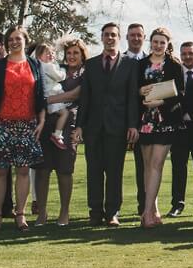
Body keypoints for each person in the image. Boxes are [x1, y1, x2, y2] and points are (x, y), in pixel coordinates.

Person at [0, 25, 46, 232]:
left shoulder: (35, 64)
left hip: (27, 125)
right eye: (11, 39)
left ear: (26, 40)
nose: (14, 42)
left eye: (18, 38)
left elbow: (41, 95)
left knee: (23, 170)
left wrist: (41, 121)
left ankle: (21, 215)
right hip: (1, 124)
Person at [73, 22, 139, 226]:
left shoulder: (130, 64)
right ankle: (95, 211)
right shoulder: (91, 65)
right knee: (93, 171)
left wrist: (132, 125)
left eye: (114, 35)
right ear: (101, 38)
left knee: (114, 171)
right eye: (107, 35)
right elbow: (85, 99)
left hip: (118, 127)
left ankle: (112, 212)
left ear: (119, 38)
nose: (110, 38)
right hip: (93, 127)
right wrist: (79, 125)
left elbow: (132, 98)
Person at [134, 27, 185, 228]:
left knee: (156, 165)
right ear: (150, 42)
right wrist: (140, 91)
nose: (158, 45)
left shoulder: (174, 65)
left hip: (165, 121)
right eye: (155, 41)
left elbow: (180, 93)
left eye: (162, 42)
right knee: (147, 167)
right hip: (145, 121)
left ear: (167, 44)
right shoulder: (141, 65)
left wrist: (160, 103)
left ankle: (146, 213)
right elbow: (133, 89)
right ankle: (153, 209)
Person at [32, 39, 87, 226]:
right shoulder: (55, 67)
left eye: (76, 53)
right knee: (42, 169)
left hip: (68, 123)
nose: (71, 56)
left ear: (82, 55)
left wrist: (45, 100)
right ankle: (42, 213)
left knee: (65, 170)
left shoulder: (85, 73)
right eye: (69, 53)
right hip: (45, 121)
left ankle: (64, 212)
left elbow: (75, 95)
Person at [169, 40, 193, 218]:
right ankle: (177, 204)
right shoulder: (174, 73)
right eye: (184, 54)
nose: (187, 57)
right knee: (178, 167)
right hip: (180, 128)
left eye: (191, 53)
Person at [123, 23, 148, 214]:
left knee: (144, 167)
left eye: (139, 35)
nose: (136, 38)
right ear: (127, 37)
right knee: (114, 168)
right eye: (132, 35)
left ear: (144, 37)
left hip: (144, 122)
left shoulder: (151, 62)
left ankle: (144, 206)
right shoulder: (119, 61)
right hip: (119, 120)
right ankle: (112, 208)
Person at [32, 44, 72, 150]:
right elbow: (59, 77)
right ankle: (57, 134)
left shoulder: (38, 65)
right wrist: (63, 71)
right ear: (39, 55)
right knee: (65, 113)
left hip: (48, 95)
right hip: (51, 96)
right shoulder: (48, 66)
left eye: (52, 53)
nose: (51, 55)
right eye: (48, 53)